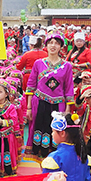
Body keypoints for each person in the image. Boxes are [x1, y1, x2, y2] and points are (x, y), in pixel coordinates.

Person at [25, 33, 75, 162]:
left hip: (58, 105)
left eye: (57, 43)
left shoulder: (67, 66)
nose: (53, 45)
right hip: (39, 103)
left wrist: (68, 109)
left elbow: (69, 87)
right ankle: (39, 163)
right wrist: (29, 108)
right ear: (46, 45)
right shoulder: (38, 63)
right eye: (50, 42)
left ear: (61, 47)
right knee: (38, 131)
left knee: (56, 131)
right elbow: (31, 84)